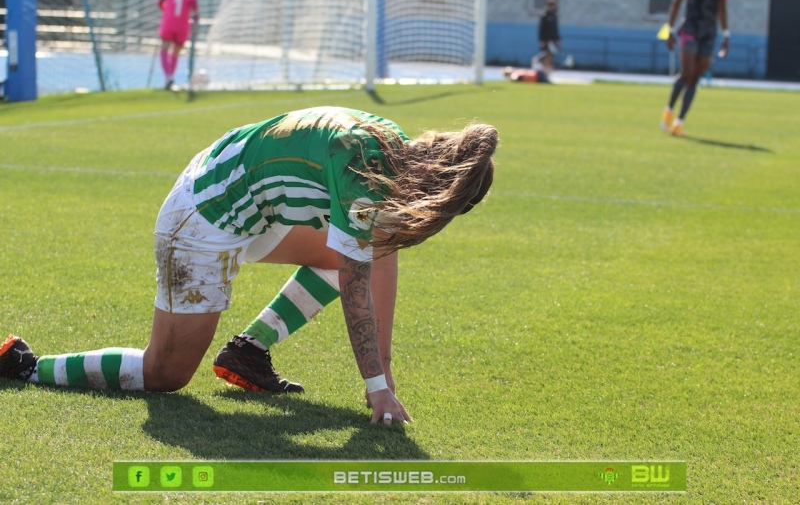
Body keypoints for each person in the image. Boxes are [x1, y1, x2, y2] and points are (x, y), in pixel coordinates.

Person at [0, 107, 497, 426]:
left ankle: (248, 353)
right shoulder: (361, 169)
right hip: (201, 217)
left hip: (249, 205)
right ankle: (25, 365)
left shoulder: (389, 142)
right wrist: (377, 390)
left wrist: (383, 381)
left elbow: (374, 257)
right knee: (164, 373)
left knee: (368, 249)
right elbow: (356, 283)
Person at [660, 0, 730, 136]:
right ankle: (668, 111)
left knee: (695, 77)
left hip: (709, 33)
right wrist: (670, 30)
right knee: (686, 73)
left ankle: (680, 122)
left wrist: (726, 35)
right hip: (690, 28)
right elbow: (677, 2)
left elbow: (722, 8)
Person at [158, 0, 199, 91]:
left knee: (165, 47)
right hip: (182, 24)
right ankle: (171, 77)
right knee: (176, 51)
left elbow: (160, 3)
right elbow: (195, 8)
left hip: (169, 21)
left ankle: (168, 77)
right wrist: (196, 23)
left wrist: (167, 10)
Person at [538, 0, 561, 73]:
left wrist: (558, 39)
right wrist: (542, 40)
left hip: (553, 39)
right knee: (547, 53)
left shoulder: (554, 15)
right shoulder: (545, 15)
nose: (556, 7)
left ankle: (546, 66)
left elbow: (555, 29)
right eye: (554, 5)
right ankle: (545, 66)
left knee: (552, 53)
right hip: (547, 39)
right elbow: (541, 29)